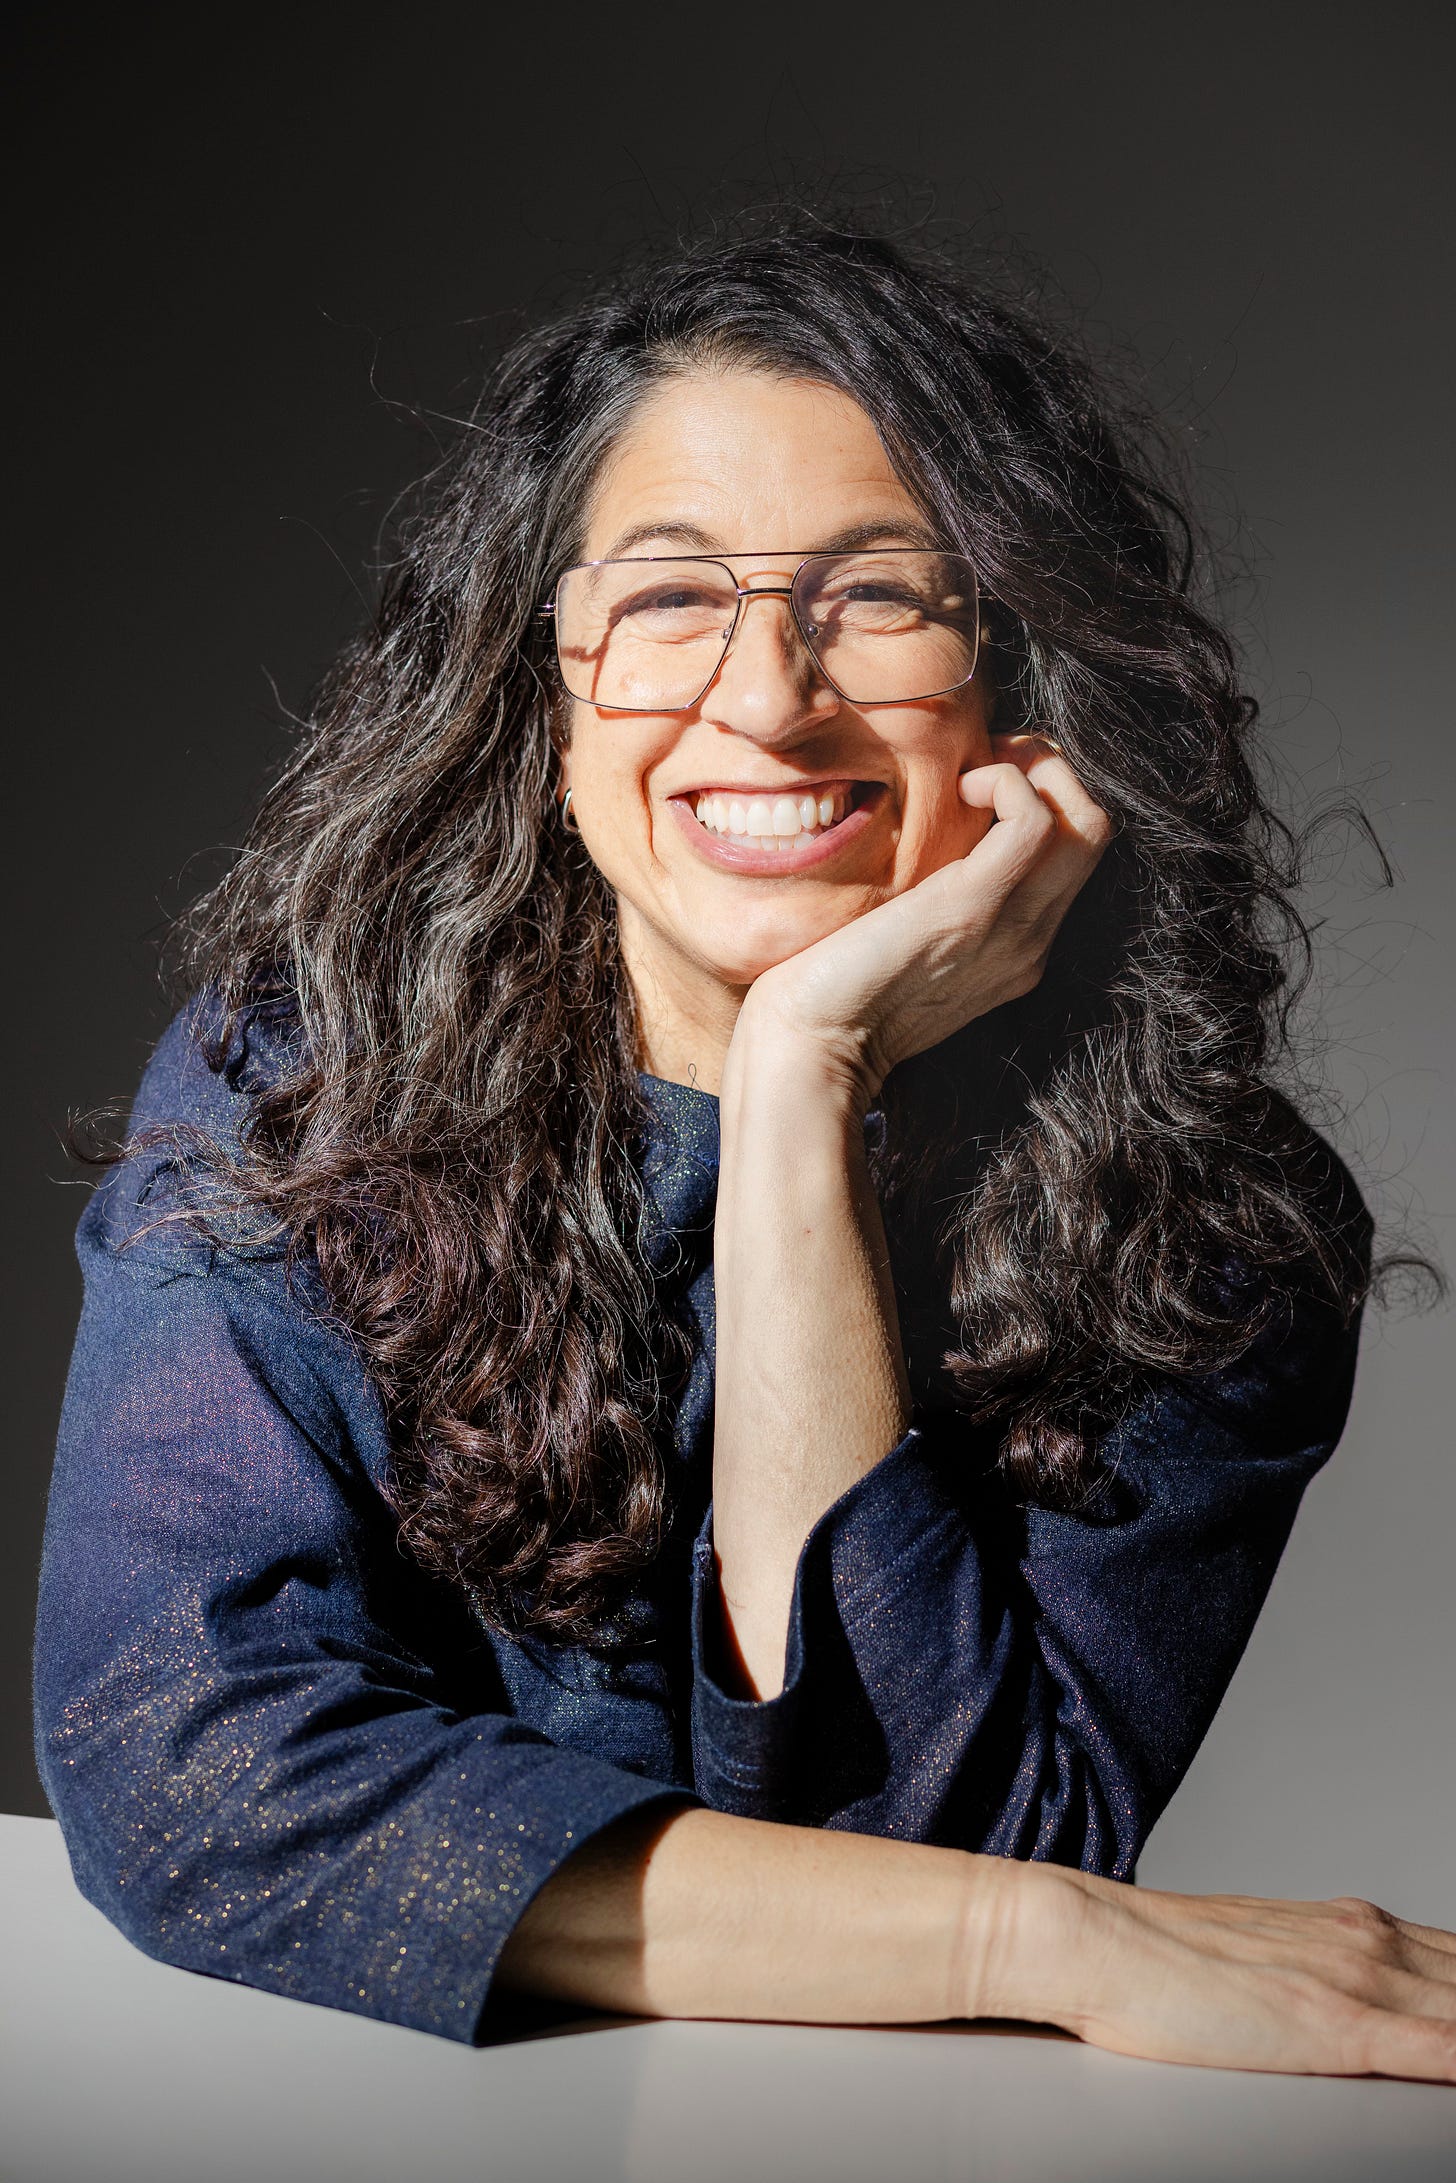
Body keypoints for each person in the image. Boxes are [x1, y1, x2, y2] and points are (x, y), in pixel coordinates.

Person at [33, 221, 1456, 2080]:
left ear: (1024, 678)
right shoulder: (301, 1089)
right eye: (669, 598)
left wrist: (802, 1086)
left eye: (882, 597)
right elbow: (188, 1760)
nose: (771, 698)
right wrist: (1040, 1933)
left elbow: (925, 1833)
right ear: (541, 689)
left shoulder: (1209, 1228)